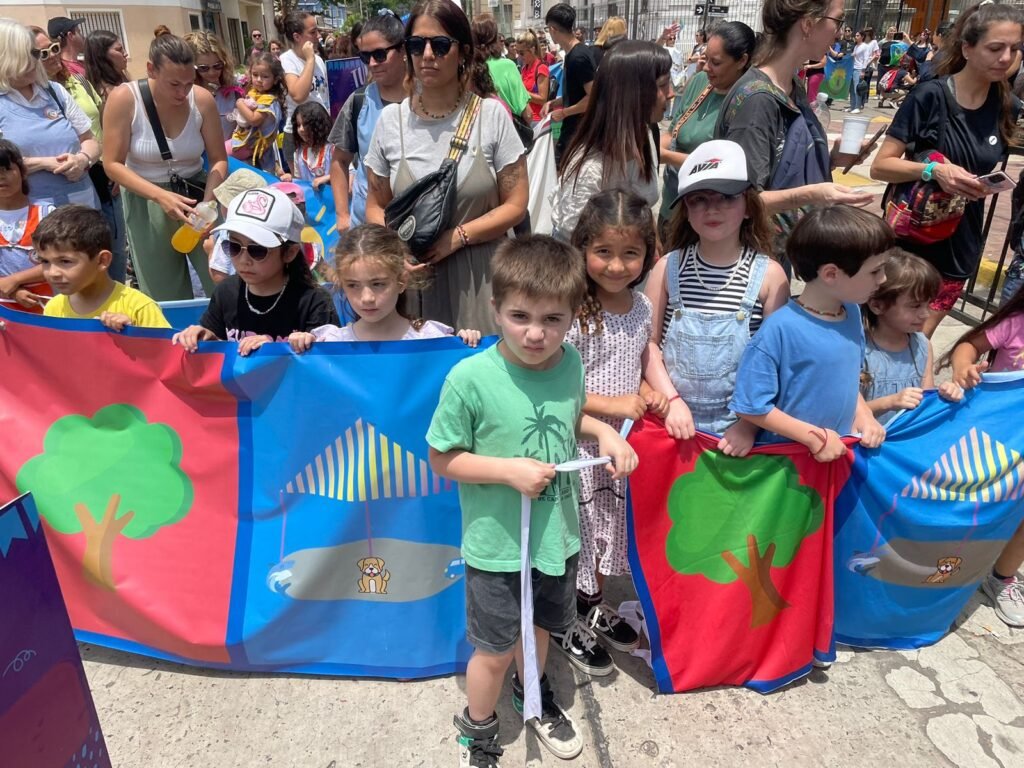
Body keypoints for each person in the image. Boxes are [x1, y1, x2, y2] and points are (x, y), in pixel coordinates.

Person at [427, 235, 638, 767]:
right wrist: (506, 471)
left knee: (540, 629)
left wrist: (605, 435)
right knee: (494, 651)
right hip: (497, 546)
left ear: (574, 318)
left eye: (553, 319)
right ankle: (477, 729)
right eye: (520, 316)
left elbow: (568, 419)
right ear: (494, 309)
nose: (536, 333)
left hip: (556, 537)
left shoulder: (569, 364)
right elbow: (441, 458)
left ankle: (534, 697)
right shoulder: (469, 379)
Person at [364, 0, 528, 335]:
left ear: (463, 52)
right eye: (416, 45)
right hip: (414, 281)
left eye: (440, 45)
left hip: (481, 280)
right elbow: (375, 204)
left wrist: (459, 237)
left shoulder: (491, 117)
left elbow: (516, 203)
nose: (427, 55)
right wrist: (396, 251)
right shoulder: (390, 122)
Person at [554, 190, 666, 676]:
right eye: (603, 252)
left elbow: (638, 359)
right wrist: (613, 406)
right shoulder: (571, 310)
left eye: (630, 253)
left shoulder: (641, 307)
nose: (616, 266)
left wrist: (652, 391)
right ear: (582, 248)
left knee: (602, 531)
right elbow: (555, 388)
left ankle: (591, 603)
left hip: (616, 450)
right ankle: (563, 621)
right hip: (577, 441)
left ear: (647, 255)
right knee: (572, 539)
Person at [870, 3, 1024, 336]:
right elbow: (881, 166)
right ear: (967, 48)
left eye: (1015, 49)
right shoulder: (930, 96)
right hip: (910, 245)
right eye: (996, 48)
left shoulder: (1006, 105)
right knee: (884, 340)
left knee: (919, 342)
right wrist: (933, 172)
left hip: (960, 244)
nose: (1006, 57)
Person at [646, 140, 789, 459]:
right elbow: (649, 344)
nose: (712, 208)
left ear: (749, 206)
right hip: (671, 427)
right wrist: (671, 401)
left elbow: (775, 363)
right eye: (698, 200)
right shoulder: (667, 268)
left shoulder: (770, 276)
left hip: (739, 436)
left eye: (726, 197)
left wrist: (750, 425)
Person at [715, 0, 875, 256]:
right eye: (838, 21)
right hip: (755, 264)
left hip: (782, 253)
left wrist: (830, 159)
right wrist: (814, 194)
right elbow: (742, 200)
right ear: (808, 24)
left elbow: (782, 166)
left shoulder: (790, 85)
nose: (840, 32)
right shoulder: (758, 100)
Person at [730, 205, 890, 459]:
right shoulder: (780, 329)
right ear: (830, 274)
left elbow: (850, 380)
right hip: (786, 467)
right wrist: (815, 438)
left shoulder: (852, 313)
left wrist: (864, 415)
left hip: (835, 458)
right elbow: (752, 406)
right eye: (874, 271)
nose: (882, 279)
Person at [102, 29, 227, 301]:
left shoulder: (202, 99)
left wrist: (208, 203)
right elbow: (111, 164)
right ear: (151, 69)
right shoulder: (125, 99)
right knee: (165, 295)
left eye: (189, 82)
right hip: (147, 203)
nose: (183, 92)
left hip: (198, 198)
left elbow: (218, 159)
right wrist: (160, 196)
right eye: (174, 84)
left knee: (221, 283)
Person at [941, 282, 1024, 627]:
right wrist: (963, 368)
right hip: (996, 436)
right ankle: (941, 557)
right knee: (971, 502)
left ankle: (1002, 578)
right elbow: (969, 346)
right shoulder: (1017, 321)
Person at [172, 187, 337, 356]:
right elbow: (218, 361)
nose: (244, 259)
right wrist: (206, 339)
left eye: (258, 250)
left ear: (289, 253)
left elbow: (326, 368)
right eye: (234, 247)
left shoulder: (313, 301)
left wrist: (276, 351)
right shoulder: (226, 292)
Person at [31, 25, 128, 285]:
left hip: (98, 172)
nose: (52, 56)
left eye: (53, 48)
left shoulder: (78, 80)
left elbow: (103, 123)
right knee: (77, 256)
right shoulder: (33, 96)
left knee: (113, 249)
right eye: (42, 53)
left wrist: (113, 163)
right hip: (61, 186)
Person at [551, 41, 671, 240]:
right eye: (662, 85)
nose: (671, 93)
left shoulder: (644, 133)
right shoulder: (590, 169)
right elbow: (574, 244)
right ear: (632, 93)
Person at [288, 224, 480, 347]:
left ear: (402, 281)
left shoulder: (432, 340)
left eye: (378, 284)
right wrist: (300, 348)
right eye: (353, 285)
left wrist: (467, 344)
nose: (367, 297)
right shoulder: (331, 344)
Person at [659, 21, 756, 238]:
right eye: (705, 58)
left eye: (716, 62)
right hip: (672, 206)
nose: (705, 67)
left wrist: (665, 156)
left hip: (708, 219)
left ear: (742, 60)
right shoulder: (700, 82)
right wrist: (653, 147)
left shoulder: (747, 100)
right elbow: (674, 130)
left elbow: (727, 167)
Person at [0, 20, 100, 210]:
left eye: (35, 54)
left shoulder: (55, 92)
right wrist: (45, 163)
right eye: (25, 55)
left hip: (81, 206)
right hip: (28, 214)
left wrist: (82, 159)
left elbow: (90, 140)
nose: (34, 61)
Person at [860, 249, 962, 424]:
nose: (925, 314)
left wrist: (945, 393)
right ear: (877, 305)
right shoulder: (859, 349)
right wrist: (889, 402)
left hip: (903, 443)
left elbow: (925, 402)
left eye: (928, 304)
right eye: (915, 306)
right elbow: (845, 413)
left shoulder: (922, 345)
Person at [327, 12, 406, 232]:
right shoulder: (359, 102)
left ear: (402, 50)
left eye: (380, 54)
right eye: (365, 57)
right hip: (367, 229)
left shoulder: (427, 100)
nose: (372, 63)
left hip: (418, 227)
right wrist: (343, 215)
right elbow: (340, 161)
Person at [35, 205, 169, 330]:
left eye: (65, 261)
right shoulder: (54, 309)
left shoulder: (139, 307)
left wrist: (133, 332)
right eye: (45, 261)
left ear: (102, 260)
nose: (53, 273)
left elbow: (166, 352)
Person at [0, 140, 51, 309]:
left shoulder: (47, 213)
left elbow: (62, 262)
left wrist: (15, 280)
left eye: (7, 169)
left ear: (22, 172)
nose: (1, 176)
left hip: (46, 309)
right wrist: (14, 291)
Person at [543, 3, 596, 164]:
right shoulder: (574, 53)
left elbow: (593, 96)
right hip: (574, 128)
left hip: (578, 131)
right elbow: (576, 92)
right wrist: (554, 103)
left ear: (553, 29)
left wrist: (564, 112)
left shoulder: (578, 57)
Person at [277, 11, 330, 170]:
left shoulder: (319, 60)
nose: (318, 36)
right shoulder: (287, 60)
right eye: (313, 32)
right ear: (297, 37)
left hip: (322, 131)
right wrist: (309, 59)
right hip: (299, 135)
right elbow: (298, 94)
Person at [229, 53, 286, 174]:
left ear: (275, 79)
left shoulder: (269, 100)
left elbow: (254, 119)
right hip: (249, 145)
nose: (259, 80)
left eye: (265, 76)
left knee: (219, 155)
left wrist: (239, 102)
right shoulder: (254, 93)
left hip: (249, 145)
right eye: (255, 75)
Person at [472, 14, 531, 122]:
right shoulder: (508, 66)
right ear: (495, 37)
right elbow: (527, 113)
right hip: (510, 131)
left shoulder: (469, 69)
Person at [185, 31, 242, 140]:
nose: (212, 72)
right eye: (203, 68)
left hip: (232, 153)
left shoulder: (236, 87)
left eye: (217, 66)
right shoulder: (186, 93)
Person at [290, 102, 332, 188]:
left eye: (305, 124)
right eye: (298, 125)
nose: (301, 129)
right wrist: (290, 179)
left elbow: (350, 175)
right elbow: (299, 183)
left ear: (318, 125)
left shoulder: (333, 150)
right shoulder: (298, 154)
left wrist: (328, 178)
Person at [84, 30, 129, 102]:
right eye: (119, 50)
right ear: (102, 55)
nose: (125, 54)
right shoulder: (105, 93)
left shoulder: (121, 79)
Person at [517, 30, 549, 122]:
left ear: (532, 49)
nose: (519, 56)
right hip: (525, 118)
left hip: (536, 120)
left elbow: (543, 99)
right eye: (517, 52)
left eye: (522, 53)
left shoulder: (541, 68)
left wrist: (522, 92)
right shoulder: (524, 68)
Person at [47, 16, 87, 81]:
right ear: (70, 35)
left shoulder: (82, 60)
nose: (83, 37)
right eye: (79, 32)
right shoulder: (67, 71)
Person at [877, 26, 898, 106]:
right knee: (881, 78)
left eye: (894, 31)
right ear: (888, 32)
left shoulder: (897, 42)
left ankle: (888, 95)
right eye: (891, 31)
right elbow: (878, 50)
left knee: (890, 80)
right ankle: (878, 94)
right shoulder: (883, 41)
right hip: (882, 62)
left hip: (892, 63)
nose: (892, 32)